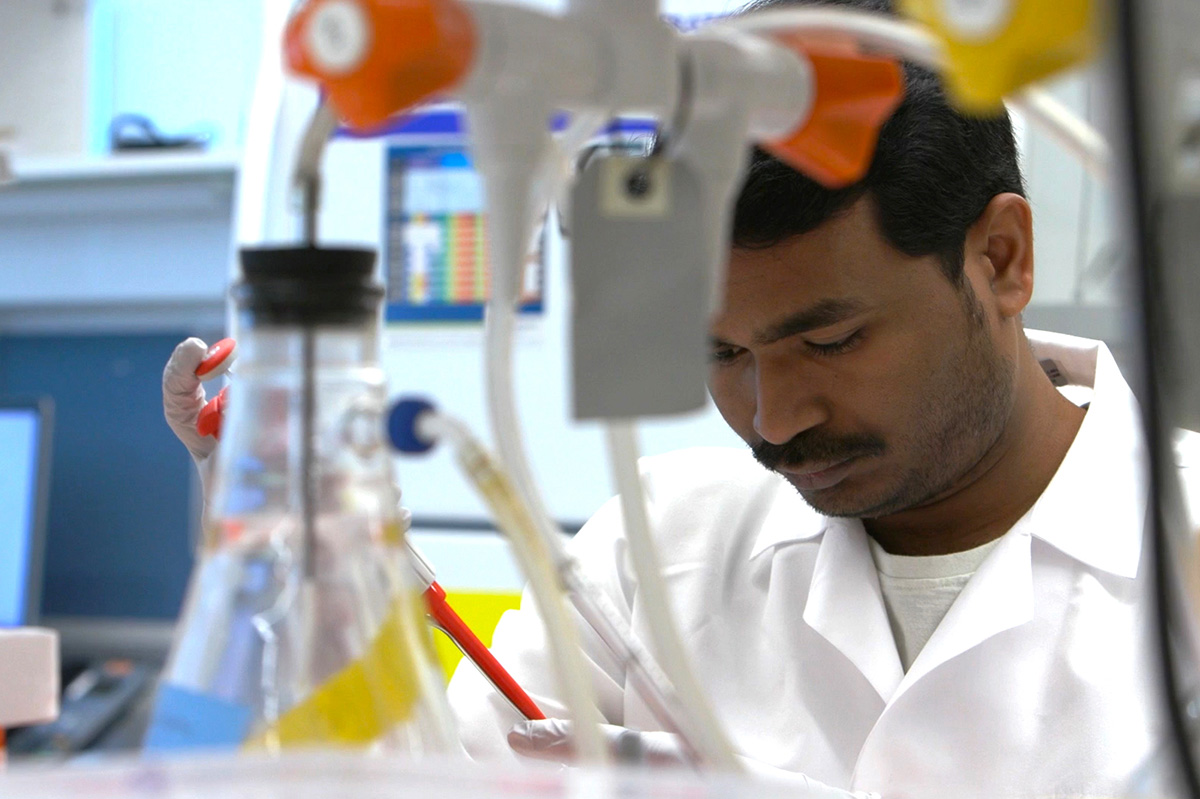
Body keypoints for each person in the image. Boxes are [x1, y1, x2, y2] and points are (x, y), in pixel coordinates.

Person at [162, 0, 1185, 795]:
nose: (774, 418)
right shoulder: (645, 554)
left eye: (830, 339)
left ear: (1001, 258)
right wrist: (298, 560)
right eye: (721, 351)